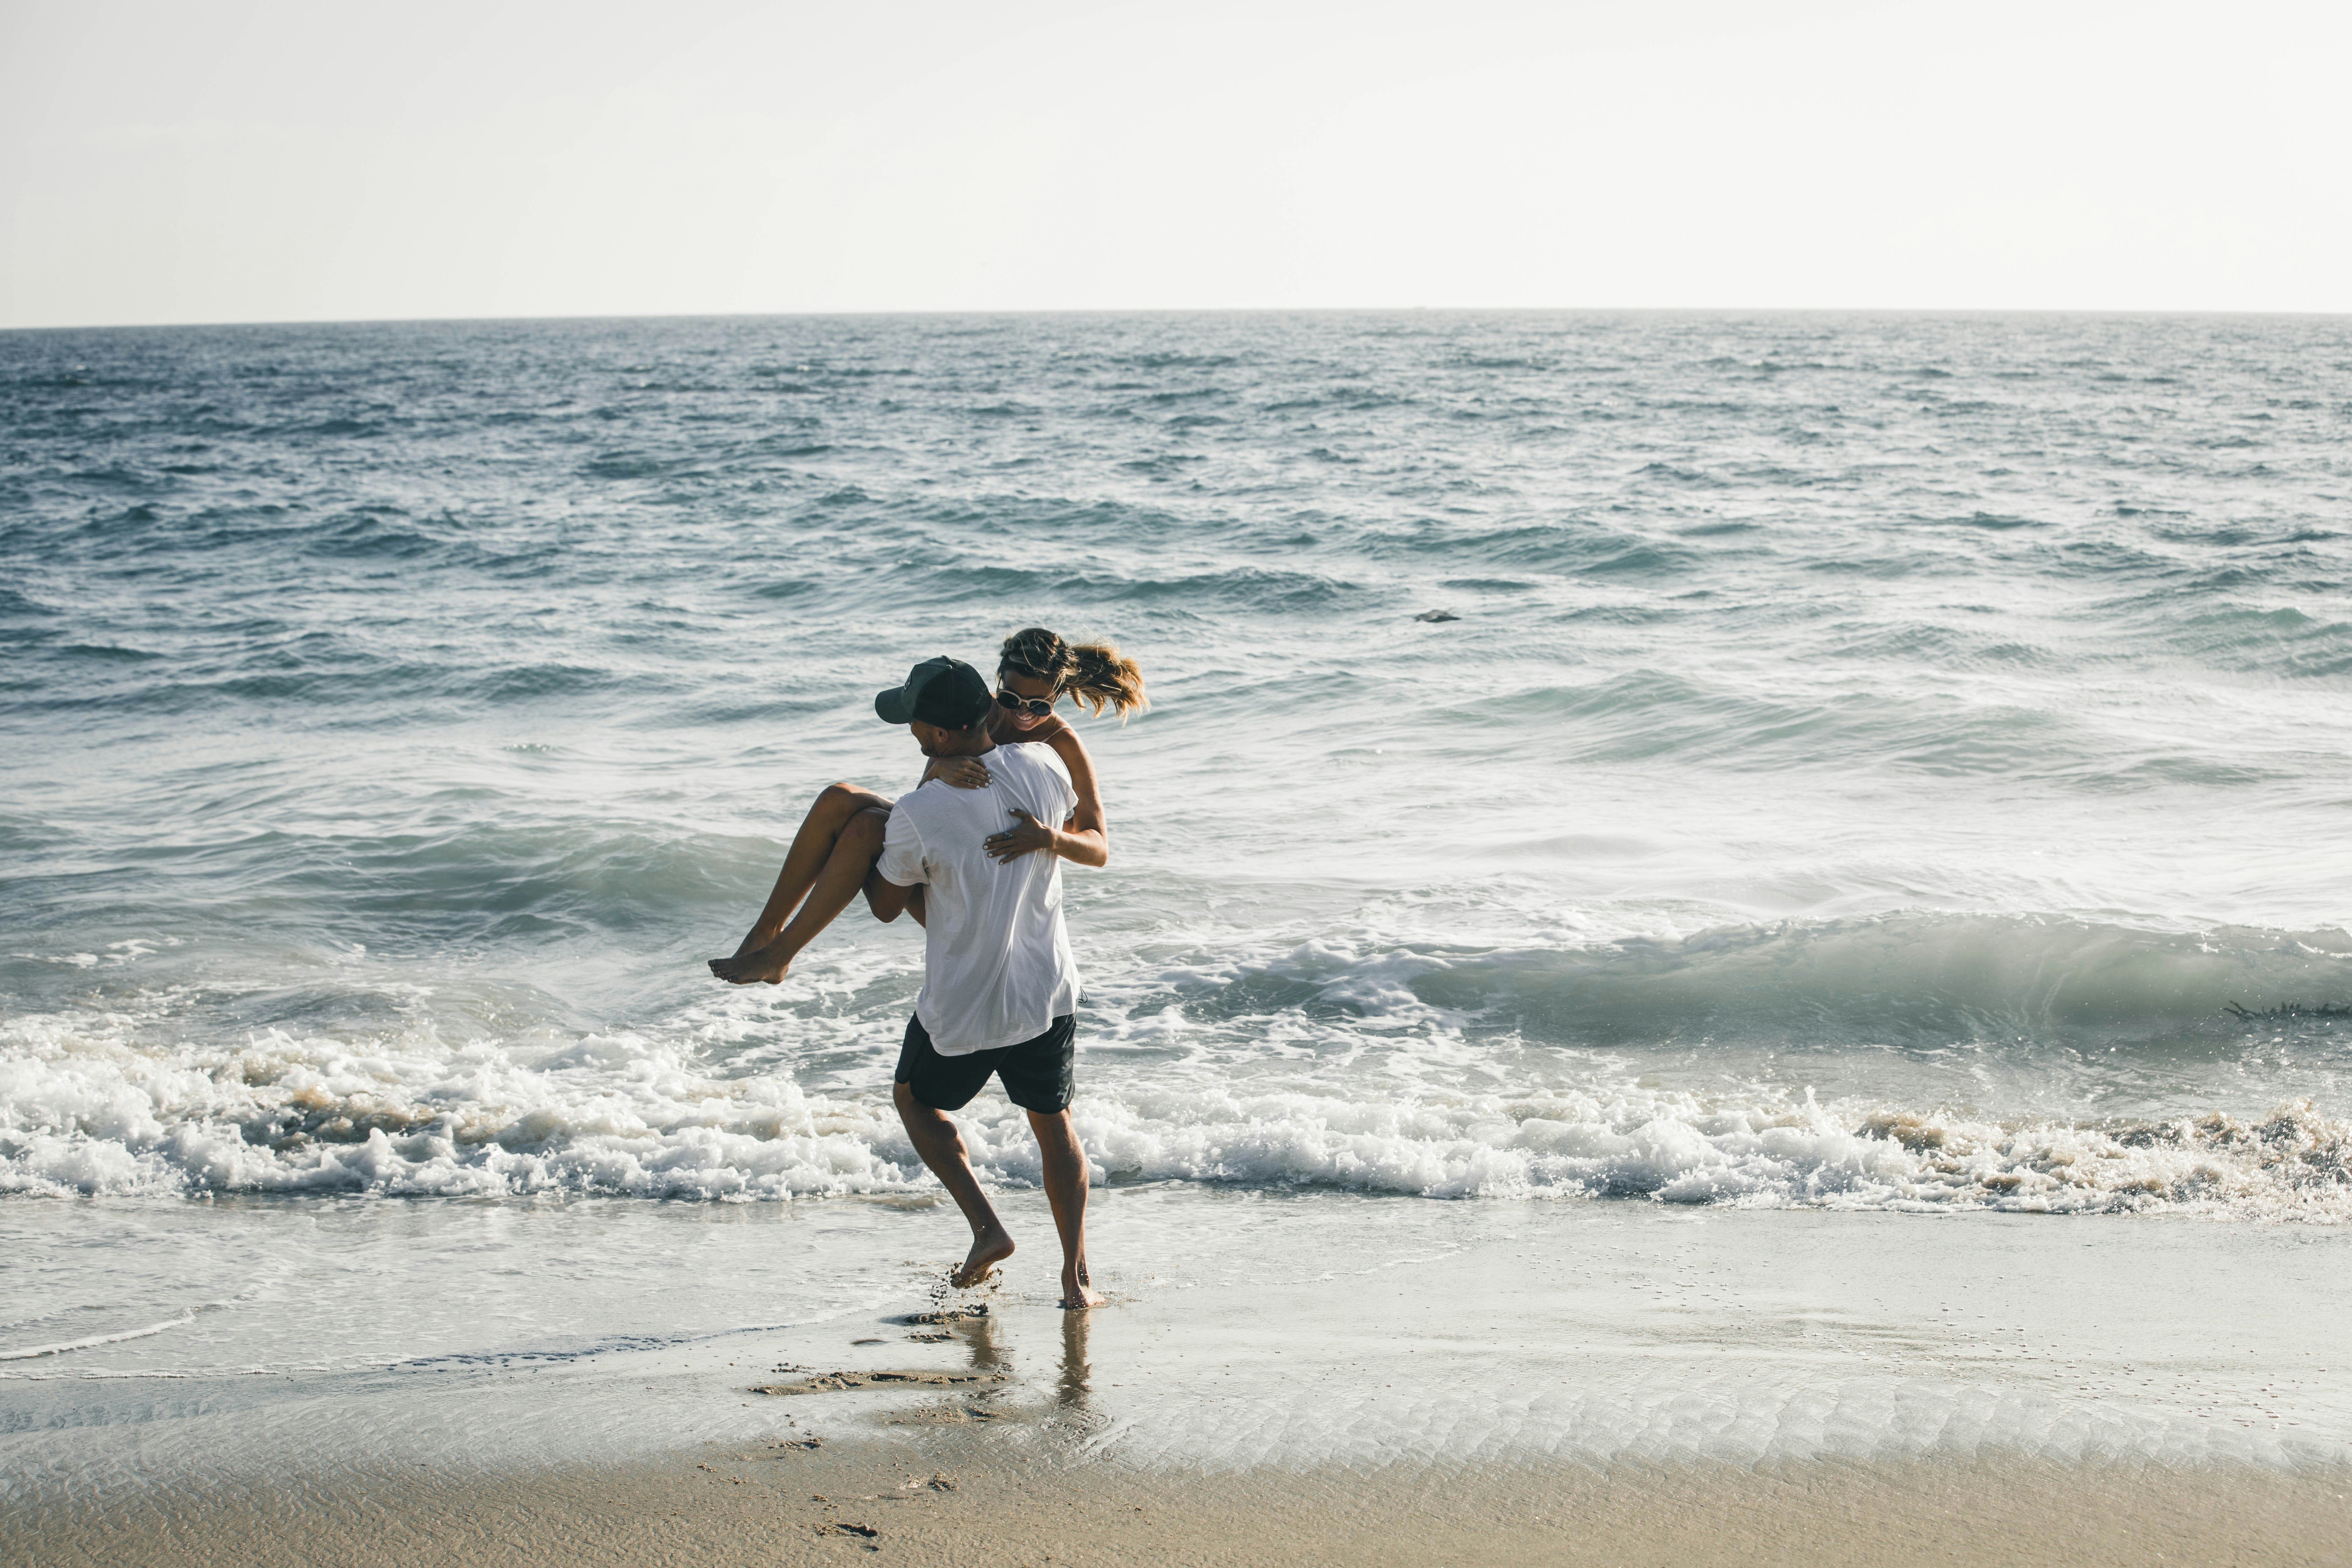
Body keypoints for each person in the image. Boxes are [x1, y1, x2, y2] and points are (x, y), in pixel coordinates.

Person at [854, 655, 1104, 1309]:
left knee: (914, 1100)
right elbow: (1087, 837)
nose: (910, 727)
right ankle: (1076, 1280)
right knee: (1055, 1127)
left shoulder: (918, 809)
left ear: (936, 736)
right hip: (1044, 994)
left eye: (913, 721)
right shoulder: (1048, 770)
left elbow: (884, 904)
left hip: (965, 1006)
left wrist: (872, 836)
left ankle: (988, 1228)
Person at [706, 628, 1144, 984]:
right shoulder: (976, 714)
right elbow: (925, 801)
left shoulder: (1062, 744)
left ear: (1059, 696)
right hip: (950, 857)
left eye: (1039, 706)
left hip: (989, 897)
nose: (1021, 716)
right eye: (1011, 700)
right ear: (998, 684)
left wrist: (1049, 838)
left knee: (864, 827)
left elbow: (1099, 847)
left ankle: (780, 954)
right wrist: (939, 771)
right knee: (837, 799)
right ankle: (767, 935)